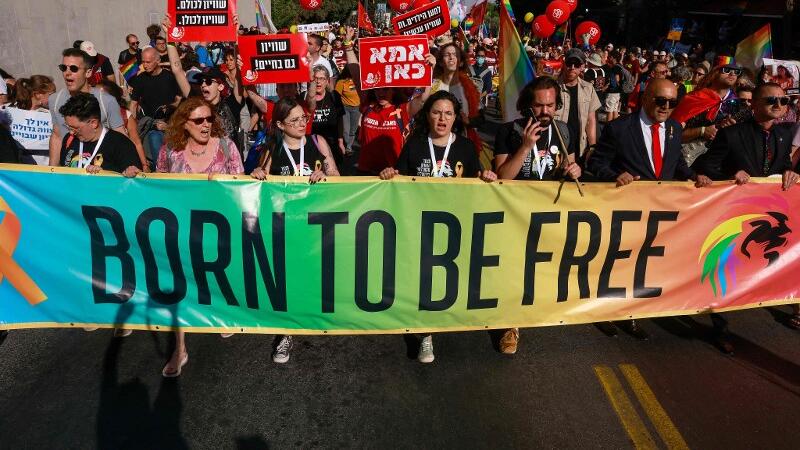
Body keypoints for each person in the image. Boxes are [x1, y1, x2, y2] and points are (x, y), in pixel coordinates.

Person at [123, 97, 243, 376]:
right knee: (179, 287)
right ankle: (180, 348)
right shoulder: (171, 151)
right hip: (180, 232)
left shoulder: (227, 147)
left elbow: (241, 186)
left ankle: (219, 314)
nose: (205, 125)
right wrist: (135, 175)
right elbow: (158, 185)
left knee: (214, 277)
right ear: (184, 124)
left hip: (217, 232)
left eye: (209, 119)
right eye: (198, 120)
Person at [588, 78, 712, 339]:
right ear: (645, 99)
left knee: (642, 267)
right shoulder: (619, 128)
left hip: (657, 213)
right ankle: (603, 313)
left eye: (672, 102)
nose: (666, 107)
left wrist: (693, 176)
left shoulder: (674, 129)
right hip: (624, 211)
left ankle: (631, 314)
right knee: (616, 264)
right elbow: (597, 163)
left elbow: (676, 163)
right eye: (660, 100)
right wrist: (615, 175)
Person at [378, 90, 497, 363]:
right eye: (436, 112)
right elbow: (399, 181)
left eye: (448, 113)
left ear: (456, 118)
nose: (441, 119)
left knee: (448, 281)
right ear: (427, 115)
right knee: (423, 282)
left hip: (454, 225)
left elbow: (475, 183)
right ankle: (426, 334)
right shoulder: (415, 145)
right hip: (419, 225)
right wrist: (389, 174)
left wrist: (486, 177)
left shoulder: (466, 148)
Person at [694, 82, 799, 352]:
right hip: (734, 217)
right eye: (771, 101)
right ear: (753, 105)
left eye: (783, 101)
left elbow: (782, 166)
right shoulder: (732, 134)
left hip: (767, 217)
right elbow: (705, 166)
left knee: (762, 266)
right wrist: (730, 175)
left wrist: (791, 172)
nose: (778, 106)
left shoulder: (784, 135)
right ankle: (721, 327)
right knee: (726, 269)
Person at [493, 77, 580, 354]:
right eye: (539, 105)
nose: (545, 111)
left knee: (541, 270)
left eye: (550, 105)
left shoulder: (564, 130)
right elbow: (502, 177)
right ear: (527, 106)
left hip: (550, 213)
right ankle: (509, 324)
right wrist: (525, 147)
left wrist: (574, 171)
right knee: (515, 271)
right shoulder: (509, 130)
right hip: (516, 214)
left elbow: (571, 163)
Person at [250, 97, 340, 363]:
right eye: (295, 120)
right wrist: (256, 175)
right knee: (286, 282)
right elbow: (260, 185)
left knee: (316, 278)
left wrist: (326, 175)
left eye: (304, 118)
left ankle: (317, 319)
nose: (302, 123)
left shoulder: (316, 142)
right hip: (285, 227)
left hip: (315, 226)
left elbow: (337, 175)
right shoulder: (272, 148)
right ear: (280, 124)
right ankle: (286, 333)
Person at [48, 48, 127, 167]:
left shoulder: (107, 100)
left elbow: (122, 139)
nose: (67, 73)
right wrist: (52, 171)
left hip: (100, 171)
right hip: (71, 172)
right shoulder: (54, 99)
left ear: (88, 72)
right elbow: (57, 136)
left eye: (74, 68)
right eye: (63, 68)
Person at [410, 42, 484, 151]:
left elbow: (481, 117)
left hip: (461, 145)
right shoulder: (432, 85)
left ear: (461, 62)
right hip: (434, 145)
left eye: (455, 55)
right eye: (447, 55)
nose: (451, 57)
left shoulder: (470, 87)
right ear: (440, 62)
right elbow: (418, 112)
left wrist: (469, 122)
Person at [670, 64, 744, 166]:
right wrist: (701, 131)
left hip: (717, 166)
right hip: (685, 163)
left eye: (737, 72)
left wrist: (731, 131)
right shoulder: (693, 98)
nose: (732, 74)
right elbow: (671, 134)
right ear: (715, 72)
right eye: (726, 70)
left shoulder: (737, 105)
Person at [57, 93, 142, 175]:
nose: (71, 132)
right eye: (69, 127)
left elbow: (133, 182)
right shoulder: (69, 139)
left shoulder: (121, 144)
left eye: (75, 128)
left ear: (94, 123)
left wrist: (104, 175)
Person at [129, 47, 182, 162]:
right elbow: (133, 104)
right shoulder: (140, 79)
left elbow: (179, 100)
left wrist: (170, 106)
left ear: (157, 61)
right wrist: (133, 126)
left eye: (148, 62)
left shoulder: (169, 77)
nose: (144, 65)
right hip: (150, 126)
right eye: (143, 62)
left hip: (171, 124)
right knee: (155, 145)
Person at [554, 48, 601, 160]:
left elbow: (591, 120)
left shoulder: (588, 88)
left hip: (579, 146)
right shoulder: (553, 87)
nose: (572, 67)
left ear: (582, 67)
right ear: (565, 64)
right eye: (570, 63)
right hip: (557, 146)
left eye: (577, 64)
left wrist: (592, 146)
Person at [96, 79, 148, 170]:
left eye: (100, 95)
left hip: (122, 163)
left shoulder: (126, 115)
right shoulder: (91, 117)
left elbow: (136, 142)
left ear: (112, 98)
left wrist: (144, 165)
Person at [309, 66, 345, 167]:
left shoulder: (334, 97)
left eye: (322, 79)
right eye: (316, 78)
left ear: (327, 81)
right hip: (312, 144)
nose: (318, 82)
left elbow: (340, 119)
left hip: (331, 143)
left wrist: (340, 141)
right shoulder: (305, 96)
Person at [334, 65, 360, 157]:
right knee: (346, 130)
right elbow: (336, 95)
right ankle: (347, 147)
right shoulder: (341, 82)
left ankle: (348, 146)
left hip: (357, 108)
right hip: (345, 108)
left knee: (353, 130)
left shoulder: (359, 80)